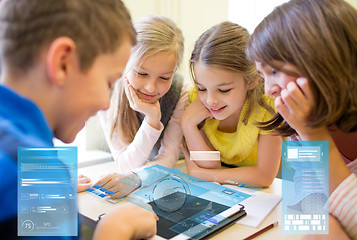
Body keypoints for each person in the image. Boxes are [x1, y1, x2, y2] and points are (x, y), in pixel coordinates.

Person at [0, 0, 157, 239]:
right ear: (63, 63)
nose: (106, 103)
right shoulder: (37, 173)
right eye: (109, 82)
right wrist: (115, 230)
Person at [246, 0, 357, 239]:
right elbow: (308, 201)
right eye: (261, 75)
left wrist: (313, 134)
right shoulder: (295, 128)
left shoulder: (305, 127)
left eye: (274, 71)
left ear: (322, 59)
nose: (268, 90)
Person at [181, 21, 282, 187]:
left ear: (251, 81)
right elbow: (211, 165)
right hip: (228, 181)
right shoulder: (197, 100)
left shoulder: (268, 104)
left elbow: (264, 176)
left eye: (224, 90)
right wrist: (187, 124)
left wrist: (204, 174)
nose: (210, 100)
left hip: (276, 184)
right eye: (202, 88)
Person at [99, 15, 188, 173]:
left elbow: (169, 158)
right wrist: (151, 121)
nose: (151, 88)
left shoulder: (181, 92)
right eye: (141, 73)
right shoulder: (107, 90)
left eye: (164, 77)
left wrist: (152, 119)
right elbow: (125, 166)